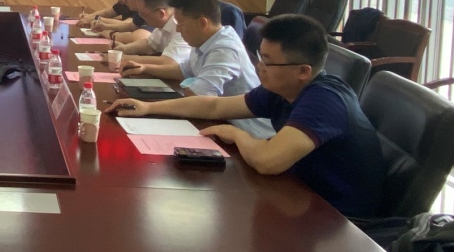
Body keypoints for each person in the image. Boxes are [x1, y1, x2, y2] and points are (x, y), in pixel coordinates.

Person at [106, 15, 385, 218]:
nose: (259, 68)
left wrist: (237, 134)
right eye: (260, 58)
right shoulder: (282, 89)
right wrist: (149, 108)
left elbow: (268, 161)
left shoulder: (324, 100)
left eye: (268, 62)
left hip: (338, 220)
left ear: (303, 71)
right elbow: (215, 108)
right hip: (297, 194)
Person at [121, 0, 258, 96]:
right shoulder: (204, 41)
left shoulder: (225, 50)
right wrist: (144, 68)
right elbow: (182, 71)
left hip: (238, 121)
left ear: (202, 23)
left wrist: (147, 108)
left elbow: (198, 95)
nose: (178, 29)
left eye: (181, 23)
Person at [112, 0, 191, 66]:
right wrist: (125, 48)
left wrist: (122, 58)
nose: (141, 18)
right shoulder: (165, 23)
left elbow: (168, 62)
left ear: (161, 13)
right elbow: (150, 44)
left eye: (143, 14)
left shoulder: (182, 27)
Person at [78, 0, 152, 45]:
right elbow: (131, 26)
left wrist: (108, 33)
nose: (124, 1)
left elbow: (138, 37)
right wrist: (105, 26)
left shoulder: (151, 11)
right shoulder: (139, 10)